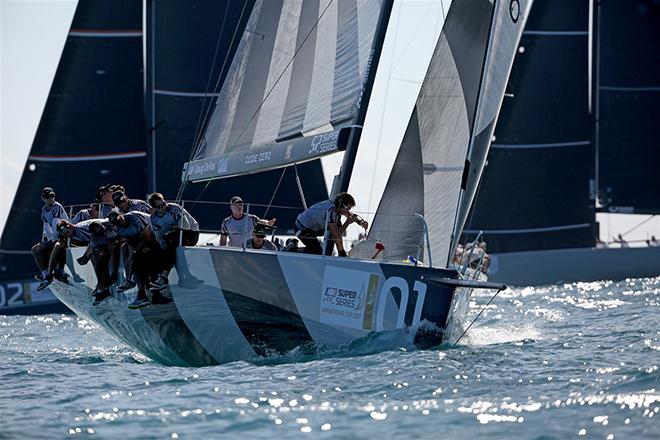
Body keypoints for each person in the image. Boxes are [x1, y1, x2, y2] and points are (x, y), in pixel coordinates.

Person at [148, 192, 201, 292]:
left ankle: (164, 277)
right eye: (159, 206)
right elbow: (159, 237)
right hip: (172, 237)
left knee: (171, 241)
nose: (163, 207)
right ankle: (181, 278)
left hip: (191, 233)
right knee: (161, 247)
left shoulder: (174, 208)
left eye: (164, 203)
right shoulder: (153, 218)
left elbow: (186, 226)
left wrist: (170, 227)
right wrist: (162, 246)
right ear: (154, 208)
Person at [108, 210, 156, 309]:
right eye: (117, 223)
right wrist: (132, 255)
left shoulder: (134, 218)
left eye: (119, 219)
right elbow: (131, 241)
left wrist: (134, 253)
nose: (120, 222)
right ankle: (131, 280)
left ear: (121, 215)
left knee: (136, 260)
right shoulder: (118, 228)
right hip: (140, 238)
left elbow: (147, 237)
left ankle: (142, 292)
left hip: (154, 233)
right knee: (127, 252)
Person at [295, 192, 368, 256]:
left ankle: (341, 253)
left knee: (337, 223)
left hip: (314, 226)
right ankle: (292, 249)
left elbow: (349, 215)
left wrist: (361, 222)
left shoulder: (337, 205)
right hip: (302, 227)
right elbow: (336, 235)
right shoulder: (331, 211)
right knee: (317, 251)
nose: (348, 211)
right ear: (341, 205)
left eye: (349, 209)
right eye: (347, 208)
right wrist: (347, 222)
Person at [32, 187, 69, 289]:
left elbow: (55, 223)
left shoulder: (56, 206)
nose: (51, 198)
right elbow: (46, 226)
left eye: (52, 196)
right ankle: (44, 274)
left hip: (64, 235)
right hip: (53, 237)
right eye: (48, 197)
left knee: (46, 247)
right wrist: (48, 240)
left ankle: (52, 274)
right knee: (35, 249)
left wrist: (54, 240)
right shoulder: (44, 209)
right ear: (43, 198)